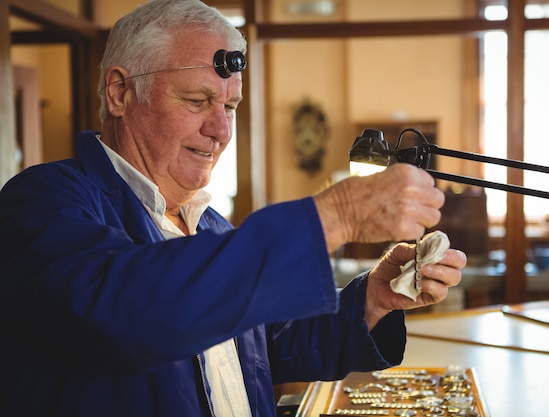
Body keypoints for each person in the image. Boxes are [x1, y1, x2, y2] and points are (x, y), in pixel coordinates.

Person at [0, 0, 466, 416]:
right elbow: (130, 310)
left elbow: (271, 346)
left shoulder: (211, 228)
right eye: (197, 100)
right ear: (120, 92)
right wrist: (335, 215)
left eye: (231, 106)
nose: (221, 131)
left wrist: (373, 301)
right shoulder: (42, 202)